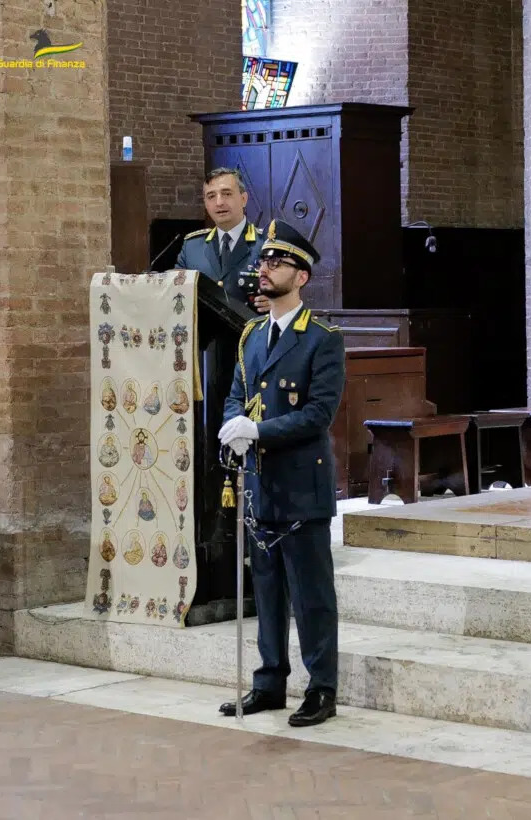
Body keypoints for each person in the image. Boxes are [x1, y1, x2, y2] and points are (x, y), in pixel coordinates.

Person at [217, 219, 345, 728]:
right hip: (260, 485)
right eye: (264, 262)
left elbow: (318, 414)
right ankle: (269, 682)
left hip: (301, 484)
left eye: (277, 263)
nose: (264, 270)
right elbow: (234, 393)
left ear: (302, 275)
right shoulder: (251, 334)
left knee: (312, 597)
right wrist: (234, 425)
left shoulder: (322, 339)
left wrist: (259, 431)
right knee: (266, 591)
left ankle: (321, 688)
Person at [174, 168, 268, 312]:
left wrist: (278, 301)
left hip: (250, 332)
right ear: (206, 204)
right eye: (211, 196)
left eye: (227, 194)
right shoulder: (192, 247)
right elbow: (176, 291)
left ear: (244, 199)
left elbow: (290, 291)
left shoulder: (266, 244)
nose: (219, 202)